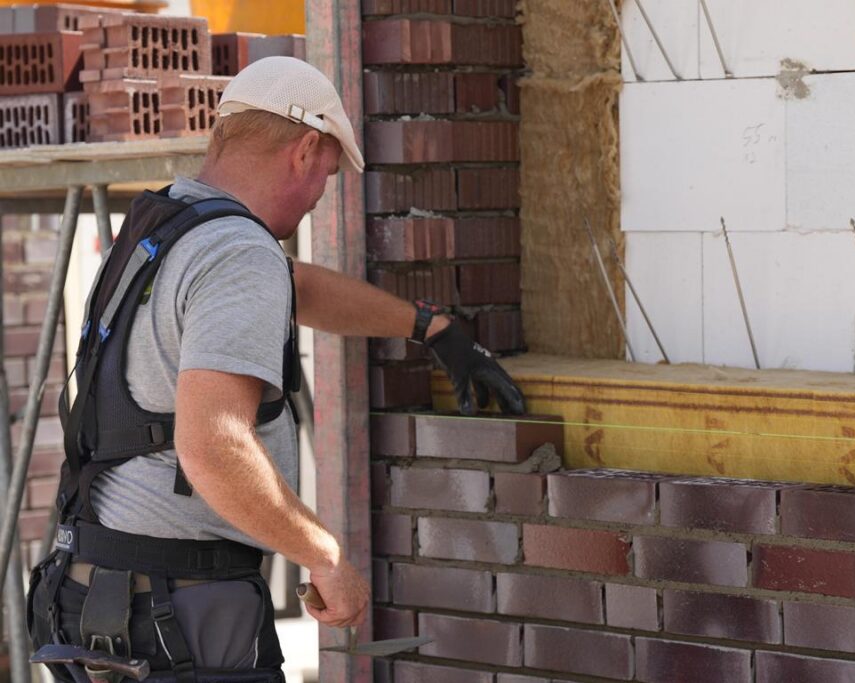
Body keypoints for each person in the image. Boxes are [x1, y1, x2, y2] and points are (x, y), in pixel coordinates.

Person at [26, 56, 526, 683]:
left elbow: (296, 287)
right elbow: (213, 446)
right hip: (177, 616)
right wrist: (323, 556)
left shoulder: (169, 227)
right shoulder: (239, 253)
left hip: (93, 592)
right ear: (304, 149)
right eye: (327, 175)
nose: (321, 196)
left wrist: (429, 325)